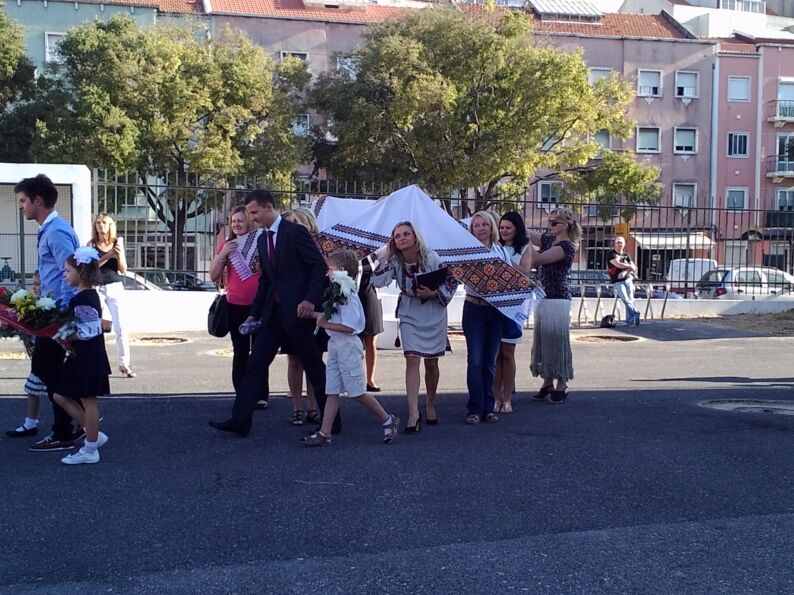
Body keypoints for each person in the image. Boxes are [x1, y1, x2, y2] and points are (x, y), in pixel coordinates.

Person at [209, 189, 339, 437]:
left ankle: (333, 421)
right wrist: (254, 314)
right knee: (255, 364)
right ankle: (240, 421)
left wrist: (310, 300)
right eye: (249, 213)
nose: (252, 218)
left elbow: (318, 267)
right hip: (271, 316)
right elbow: (267, 280)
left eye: (255, 212)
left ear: (269, 208)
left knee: (313, 366)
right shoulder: (261, 239)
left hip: (298, 314)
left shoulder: (295, 232)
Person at [302, 250, 400, 446]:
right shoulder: (338, 292)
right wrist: (314, 315)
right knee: (331, 390)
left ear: (342, 270)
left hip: (347, 345)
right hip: (335, 345)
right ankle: (325, 432)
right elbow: (333, 317)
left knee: (356, 391)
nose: (328, 273)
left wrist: (325, 324)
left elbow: (350, 326)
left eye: (331, 269)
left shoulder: (347, 294)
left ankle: (388, 419)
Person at [370, 222, 457, 431]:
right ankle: (413, 413)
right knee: (412, 359)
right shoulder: (394, 261)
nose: (402, 238)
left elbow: (452, 280)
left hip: (433, 311)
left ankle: (429, 403)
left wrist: (434, 293)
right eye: (397, 236)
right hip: (409, 310)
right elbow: (377, 281)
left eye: (406, 234)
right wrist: (385, 255)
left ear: (415, 236)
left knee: (432, 363)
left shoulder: (431, 257)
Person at [16, 174, 81, 453]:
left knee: (47, 368)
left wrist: (63, 316)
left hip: (56, 315)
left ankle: (67, 428)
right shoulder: (50, 229)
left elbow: (72, 273)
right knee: (47, 368)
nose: (21, 206)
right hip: (50, 313)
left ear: (38, 201)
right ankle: (72, 423)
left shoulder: (56, 232)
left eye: (23, 201)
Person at [52, 248, 111, 464]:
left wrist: (66, 336)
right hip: (81, 355)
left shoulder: (85, 298)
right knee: (60, 395)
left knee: (88, 401)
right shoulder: (83, 296)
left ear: (81, 272)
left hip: (89, 356)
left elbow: (90, 330)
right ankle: (93, 434)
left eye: (68, 270)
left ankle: (90, 450)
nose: (65, 274)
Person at [520, 207, 581, 404]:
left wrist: (525, 242)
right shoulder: (548, 239)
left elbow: (537, 260)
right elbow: (528, 233)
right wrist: (516, 226)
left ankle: (561, 383)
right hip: (543, 297)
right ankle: (547, 382)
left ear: (565, 225)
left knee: (557, 340)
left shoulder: (566, 246)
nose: (550, 226)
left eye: (554, 223)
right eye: (549, 222)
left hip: (557, 298)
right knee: (544, 340)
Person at [462, 211, 516, 424]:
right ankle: (474, 409)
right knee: (475, 361)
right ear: (471, 229)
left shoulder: (501, 251)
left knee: (490, 362)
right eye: (476, 225)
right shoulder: (467, 251)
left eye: (484, 224)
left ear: (491, 227)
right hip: (473, 308)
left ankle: (488, 407)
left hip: (495, 311)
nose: (481, 228)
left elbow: (511, 279)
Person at [208, 206, 265, 404]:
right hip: (235, 305)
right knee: (240, 352)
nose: (236, 224)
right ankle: (242, 393)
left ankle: (260, 395)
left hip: (259, 305)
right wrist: (222, 254)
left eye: (240, 220)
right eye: (233, 221)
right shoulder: (228, 245)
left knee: (259, 352)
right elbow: (213, 275)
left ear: (249, 221)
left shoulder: (261, 242)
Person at [280, 207, 324, 426]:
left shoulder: (321, 244)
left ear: (308, 222)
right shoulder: (283, 245)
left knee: (313, 359)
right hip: (291, 307)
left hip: (314, 306)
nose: (293, 225)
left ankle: (313, 407)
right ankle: (296, 407)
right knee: (294, 359)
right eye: (290, 222)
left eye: (297, 221)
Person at [89, 213, 135, 378]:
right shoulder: (92, 245)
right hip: (97, 286)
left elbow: (123, 269)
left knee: (121, 327)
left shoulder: (116, 243)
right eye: (98, 223)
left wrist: (119, 254)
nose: (101, 225)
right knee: (95, 327)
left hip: (114, 286)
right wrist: (107, 256)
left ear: (110, 226)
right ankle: (95, 365)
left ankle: (124, 364)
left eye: (104, 222)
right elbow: (90, 267)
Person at [493, 211, 530, 414]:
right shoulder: (494, 247)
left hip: (514, 306)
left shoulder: (524, 248)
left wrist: (505, 259)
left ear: (517, 228)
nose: (504, 231)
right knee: (495, 354)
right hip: (494, 304)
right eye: (502, 227)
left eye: (508, 227)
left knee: (508, 353)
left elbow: (524, 272)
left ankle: (507, 397)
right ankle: (495, 397)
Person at [5, 271, 48, 438]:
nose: (34, 288)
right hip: (38, 354)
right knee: (32, 388)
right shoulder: (32, 303)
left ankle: (81, 423)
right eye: (34, 284)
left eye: (38, 284)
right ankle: (30, 423)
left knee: (61, 394)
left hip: (50, 355)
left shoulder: (49, 305)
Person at [359, 256, 384, 392]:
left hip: (370, 292)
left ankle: (370, 380)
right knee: (351, 341)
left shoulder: (376, 251)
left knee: (371, 338)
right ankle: (352, 380)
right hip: (350, 293)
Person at [608, 236, 640, 327]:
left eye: (621, 242)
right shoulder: (611, 254)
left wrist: (625, 271)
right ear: (615, 244)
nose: (619, 244)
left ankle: (630, 322)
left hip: (628, 279)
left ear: (624, 244)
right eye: (618, 242)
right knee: (625, 299)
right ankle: (636, 312)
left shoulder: (626, 255)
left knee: (630, 299)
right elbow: (618, 264)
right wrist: (629, 266)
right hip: (617, 281)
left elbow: (634, 267)